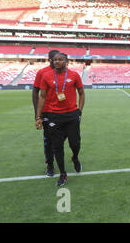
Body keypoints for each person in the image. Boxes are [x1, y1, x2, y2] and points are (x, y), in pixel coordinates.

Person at [35, 53, 85, 186]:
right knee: (57, 146)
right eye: (55, 60)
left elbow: (81, 93)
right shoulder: (47, 76)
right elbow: (42, 97)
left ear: (66, 61)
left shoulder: (74, 75)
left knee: (75, 143)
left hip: (71, 115)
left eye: (60, 59)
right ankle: (63, 174)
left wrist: (79, 110)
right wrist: (38, 116)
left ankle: (75, 157)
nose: (57, 62)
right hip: (53, 116)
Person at [32, 49, 60, 177]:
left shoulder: (63, 72)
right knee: (48, 139)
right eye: (55, 59)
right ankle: (50, 165)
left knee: (62, 138)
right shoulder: (42, 72)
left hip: (62, 111)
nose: (58, 61)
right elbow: (35, 92)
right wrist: (37, 112)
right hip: (47, 112)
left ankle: (63, 160)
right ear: (50, 60)